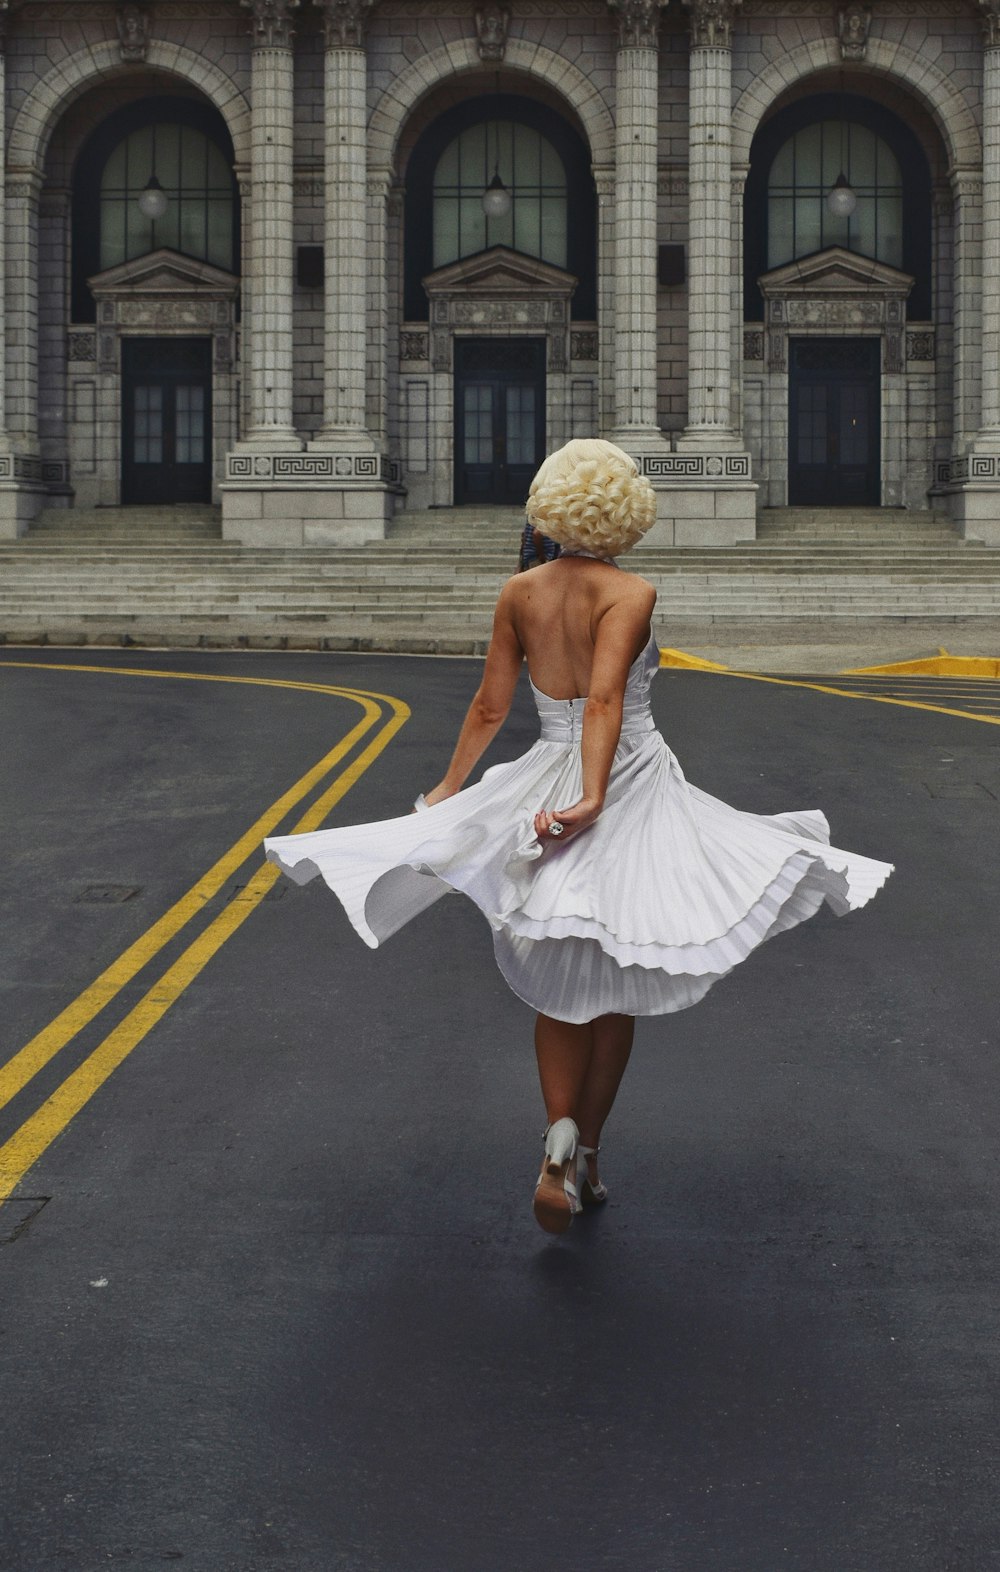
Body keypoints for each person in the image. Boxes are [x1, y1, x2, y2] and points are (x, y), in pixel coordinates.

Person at [264, 440, 893, 1235]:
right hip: (623, 781)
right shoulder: (630, 591)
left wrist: (449, 791)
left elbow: (492, 707)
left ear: (550, 507)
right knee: (619, 973)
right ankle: (587, 1152)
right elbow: (605, 704)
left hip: (542, 775)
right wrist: (595, 796)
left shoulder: (520, 590)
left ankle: (556, 1136)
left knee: (563, 978)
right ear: (626, 514)